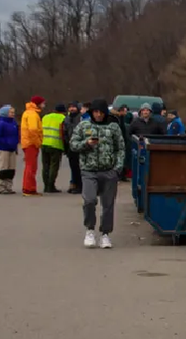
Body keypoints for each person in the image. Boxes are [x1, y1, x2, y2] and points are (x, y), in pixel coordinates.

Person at [70, 99, 125, 249]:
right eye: (95, 112)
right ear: (91, 113)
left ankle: (105, 234)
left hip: (109, 171)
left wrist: (117, 168)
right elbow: (73, 145)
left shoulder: (113, 127)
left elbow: (120, 148)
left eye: (101, 112)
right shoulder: (84, 126)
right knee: (89, 200)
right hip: (89, 170)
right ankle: (89, 230)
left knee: (108, 205)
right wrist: (86, 144)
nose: (98, 115)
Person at [19, 96, 45, 196]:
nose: (44, 105)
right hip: (31, 143)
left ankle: (30, 188)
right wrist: (38, 142)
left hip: (28, 143)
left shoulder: (29, 112)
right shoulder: (32, 114)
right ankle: (28, 189)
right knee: (31, 167)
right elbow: (33, 130)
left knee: (31, 166)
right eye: (42, 103)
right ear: (37, 103)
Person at [40, 103, 67, 193]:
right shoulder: (62, 118)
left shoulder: (45, 117)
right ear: (63, 112)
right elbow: (63, 132)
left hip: (44, 143)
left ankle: (45, 185)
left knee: (45, 166)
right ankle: (50, 186)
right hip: (56, 145)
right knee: (54, 166)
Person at [0, 105, 20, 194]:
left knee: (11, 168)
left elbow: (16, 135)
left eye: (13, 112)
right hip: (3, 148)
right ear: (5, 113)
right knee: (3, 168)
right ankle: (0, 187)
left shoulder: (14, 123)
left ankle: (8, 186)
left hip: (12, 149)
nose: (13, 114)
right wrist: (6, 142)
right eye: (11, 112)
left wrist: (15, 145)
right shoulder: (1, 123)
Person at [62, 102, 85, 193]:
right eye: (70, 107)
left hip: (80, 145)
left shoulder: (80, 118)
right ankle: (75, 185)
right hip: (70, 146)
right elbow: (65, 132)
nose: (71, 109)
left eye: (74, 107)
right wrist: (66, 145)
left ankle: (80, 186)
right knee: (74, 168)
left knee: (79, 167)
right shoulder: (67, 118)